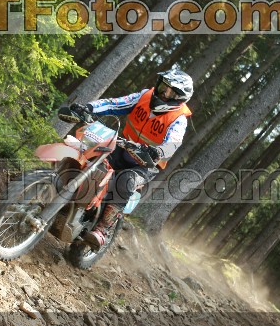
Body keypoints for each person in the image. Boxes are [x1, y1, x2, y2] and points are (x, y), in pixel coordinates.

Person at [69, 69, 193, 250]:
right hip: (123, 147)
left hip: (147, 163)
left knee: (126, 180)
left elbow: (173, 143)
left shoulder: (179, 118)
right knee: (91, 156)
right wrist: (89, 108)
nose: (164, 94)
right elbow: (116, 104)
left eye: (171, 93)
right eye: (163, 88)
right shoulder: (145, 96)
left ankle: (102, 229)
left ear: (179, 98)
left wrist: (158, 151)